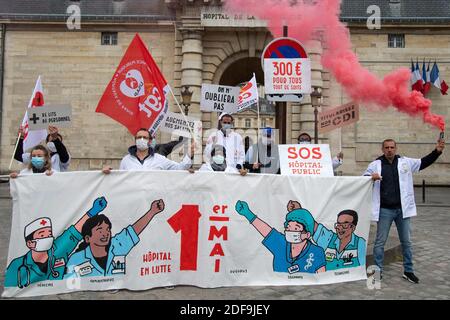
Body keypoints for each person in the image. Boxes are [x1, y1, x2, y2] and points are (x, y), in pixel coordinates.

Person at [364, 138, 445, 283]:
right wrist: (371, 177)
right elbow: (362, 180)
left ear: (396, 148)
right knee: (379, 243)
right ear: (382, 149)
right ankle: (377, 272)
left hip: (402, 210)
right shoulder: (375, 165)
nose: (389, 150)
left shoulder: (405, 162)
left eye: (392, 147)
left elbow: (423, 162)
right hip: (384, 210)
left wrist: (437, 152)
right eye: (387, 147)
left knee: (406, 242)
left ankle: (408, 271)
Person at [4, 197, 107, 288]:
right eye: (42, 235)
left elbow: (75, 231)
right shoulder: (17, 264)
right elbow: (10, 288)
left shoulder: (58, 249)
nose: (48, 237)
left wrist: (93, 211)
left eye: (49, 234)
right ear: (30, 243)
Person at [65, 199, 164, 278]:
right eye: (100, 230)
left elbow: (134, 230)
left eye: (108, 229)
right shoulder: (75, 260)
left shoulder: (117, 246)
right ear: (87, 238)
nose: (105, 234)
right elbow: (69, 285)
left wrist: (152, 212)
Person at [234, 200, 326, 274]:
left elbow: (322, 278)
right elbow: (266, 230)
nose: (291, 231)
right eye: (288, 227)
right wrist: (247, 213)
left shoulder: (317, 252)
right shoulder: (281, 244)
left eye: (296, 228)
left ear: (307, 234)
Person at [287, 201, 366, 270]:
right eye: (338, 224)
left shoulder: (360, 243)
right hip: (329, 284)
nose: (340, 228)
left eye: (345, 225)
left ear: (353, 227)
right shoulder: (329, 239)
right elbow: (312, 225)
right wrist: (299, 211)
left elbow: (361, 268)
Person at [102, 128, 194, 173]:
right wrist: (108, 173)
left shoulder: (160, 159)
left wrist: (190, 153)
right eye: (139, 137)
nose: (141, 139)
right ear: (135, 139)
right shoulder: (126, 160)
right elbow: (119, 180)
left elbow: (180, 168)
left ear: (150, 141)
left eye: (145, 137)